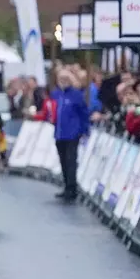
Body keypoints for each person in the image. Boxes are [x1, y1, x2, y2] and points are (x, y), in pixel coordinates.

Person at [51, 70, 89, 201]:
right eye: (61, 78)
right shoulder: (55, 94)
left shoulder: (76, 95)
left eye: (66, 78)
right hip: (59, 133)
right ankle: (67, 184)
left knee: (71, 160)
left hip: (72, 133)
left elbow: (84, 113)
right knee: (63, 160)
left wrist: (85, 130)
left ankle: (72, 188)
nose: (63, 81)